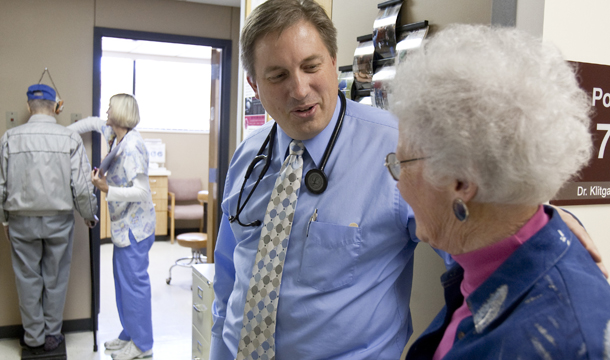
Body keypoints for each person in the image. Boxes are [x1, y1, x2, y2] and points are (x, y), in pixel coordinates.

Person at [211, 1, 606, 359]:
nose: (299, 89)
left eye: (311, 66)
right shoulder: (249, 155)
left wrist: (541, 227)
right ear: (254, 85)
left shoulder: (403, 150)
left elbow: (478, 238)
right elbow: (230, 275)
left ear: (333, 61)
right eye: (278, 75)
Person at [389, 24, 610, 359]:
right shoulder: (482, 258)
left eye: (403, 162)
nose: (398, 181)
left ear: (460, 183)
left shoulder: (567, 340)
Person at [0, 83, 98, 353]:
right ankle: (53, 336)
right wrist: (90, 215)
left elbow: (1, 185)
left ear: (29, 105)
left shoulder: (10, 137)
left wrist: (5, 220)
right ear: (56, 107)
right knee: (55, 278)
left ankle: (33, 337)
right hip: (59, 220)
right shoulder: (69, 138)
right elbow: (81, 186)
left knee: (27, 279)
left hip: (21, 220)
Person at [68, 94, 155, 360]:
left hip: (135, 228)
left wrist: (107, 189)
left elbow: (141, 192)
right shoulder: (115, 135)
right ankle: (129, 334)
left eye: (109, 107)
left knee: (134, 286)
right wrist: (61, 134)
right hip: (124, 226)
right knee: (123, 285)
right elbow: (92, 123)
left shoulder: (132, 147)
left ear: (119, 114)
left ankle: (142, 345)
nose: (105, 111)